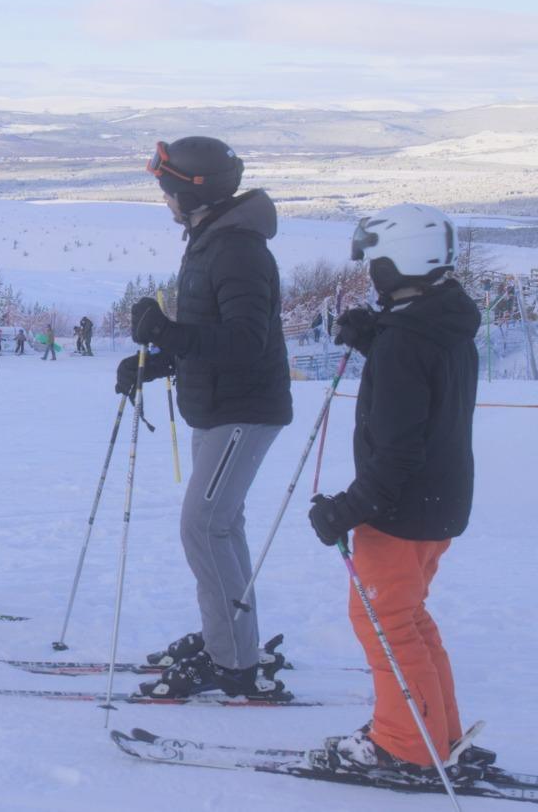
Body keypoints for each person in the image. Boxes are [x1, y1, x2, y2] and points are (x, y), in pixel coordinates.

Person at [307, 204, 485, 777]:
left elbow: (401, 447)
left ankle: (404, 745)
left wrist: (349, 510)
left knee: (382, 622)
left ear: (401, 261)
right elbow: (422, 392)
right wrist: (375, 341)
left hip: (400, 509)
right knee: (407, 618)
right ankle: (435, 730)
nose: (370, 273)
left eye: (375, 262)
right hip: (439, 502)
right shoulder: (444, 319)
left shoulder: (407, 339)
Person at [120, 136, 294, 700]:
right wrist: (156, 361)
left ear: (192, 191)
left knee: (204, 528)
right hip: (219, 409)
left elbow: (246, 341)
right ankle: (232, 640)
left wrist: (167, 332)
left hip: (243, 412)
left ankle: (233, 664)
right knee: (222, 529)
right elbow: (214, 334)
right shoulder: (210, 240)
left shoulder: (237, 250)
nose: (162, 197)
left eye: (165, 186)